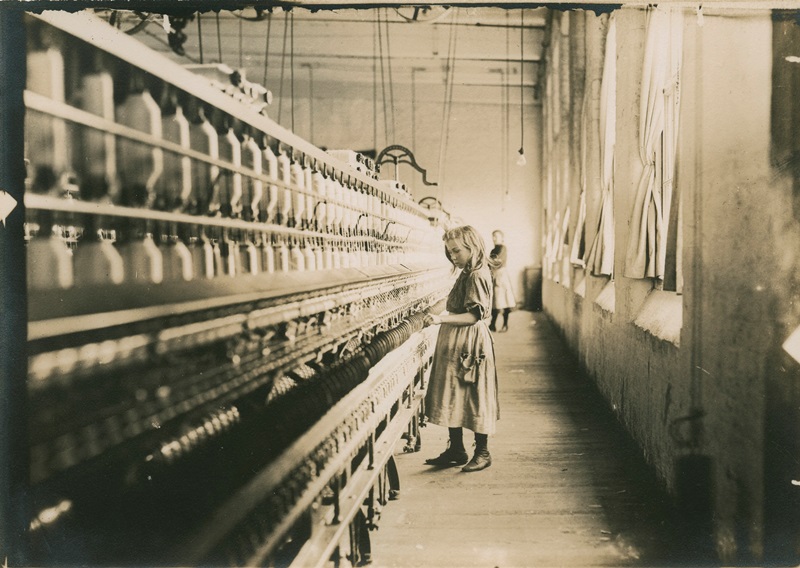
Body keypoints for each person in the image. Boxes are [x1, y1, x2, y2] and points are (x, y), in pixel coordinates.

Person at [422, 225, 500, 472]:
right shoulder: (467, 272)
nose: (453, 256)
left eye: (456, 251)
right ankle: (456, 449)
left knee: (475, 394)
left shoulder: (477, 274)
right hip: (457, 340)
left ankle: (483, 452)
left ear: (472, 246)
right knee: (454, 393)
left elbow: (473, 316)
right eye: (449, 252)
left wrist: (439, 319)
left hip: (469, 341)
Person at [489, 230, 516, 333]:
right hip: (494, 276)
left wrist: (490, 263)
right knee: (495, 301)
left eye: (496, 236)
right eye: (493, 236)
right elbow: (491, 263)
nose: (494, 238)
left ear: (502, 238)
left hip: (501, 276)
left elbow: (497, 262)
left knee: (505, 301)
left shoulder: (503, 248)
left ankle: (505, 325)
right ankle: (493, 324)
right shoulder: (493, 250)